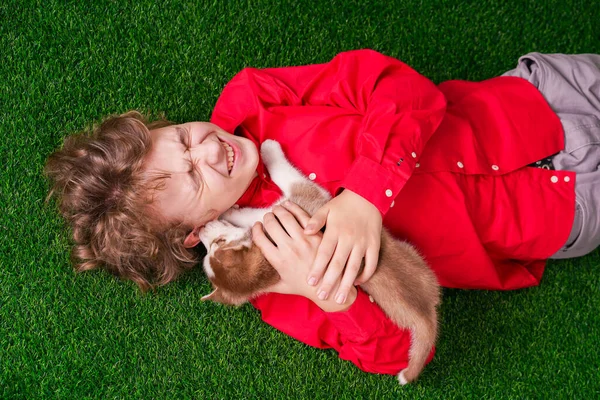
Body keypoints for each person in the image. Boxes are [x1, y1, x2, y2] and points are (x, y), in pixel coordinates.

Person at [45, 50, 600, 376]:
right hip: (557, 214)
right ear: (194, 234)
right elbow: (395, 353)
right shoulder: (276, 284)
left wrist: (365, 195)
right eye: (196, 177)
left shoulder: (254, 99)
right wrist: (325, 293)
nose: (211, 149)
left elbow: (397, 86)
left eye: (186, 137)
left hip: (536, 101)